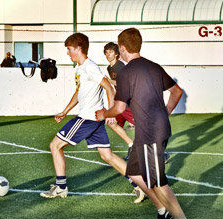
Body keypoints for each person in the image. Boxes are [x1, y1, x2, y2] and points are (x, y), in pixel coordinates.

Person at [96, 28, 194, 219]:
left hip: (151, 133)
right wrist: (165, 112)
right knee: (133, 173)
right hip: (149, 130)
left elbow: (120, 108)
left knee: (158, 181)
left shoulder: (125, 73)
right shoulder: (154, 67)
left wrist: (103, 113)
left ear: (122, 48)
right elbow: (177, 92)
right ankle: (162, 210)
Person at [40, 32, 145, 204]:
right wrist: (65, 111)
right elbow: (78, 93)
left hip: (87, 119)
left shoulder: (90, 67)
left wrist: (111, 113)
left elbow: (108, 88)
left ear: (78, 48)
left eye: (69, 49)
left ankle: (60, 187)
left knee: (55, 145)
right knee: (107, 156)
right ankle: (140, 184)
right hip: (94, 119)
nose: (68, 53)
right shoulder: (79, 68)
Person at [103, 42, 171, 163]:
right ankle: (131, 145)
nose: (108, 54)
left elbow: (123, 83)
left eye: (111, 52)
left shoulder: (120, 67)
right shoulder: (110, 68)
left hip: (129, 103)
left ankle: (160, 154)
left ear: (117, 54)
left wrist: (107, 81)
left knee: (144, 127)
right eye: (106, 52)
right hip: (120, 102)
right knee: (112, 123)